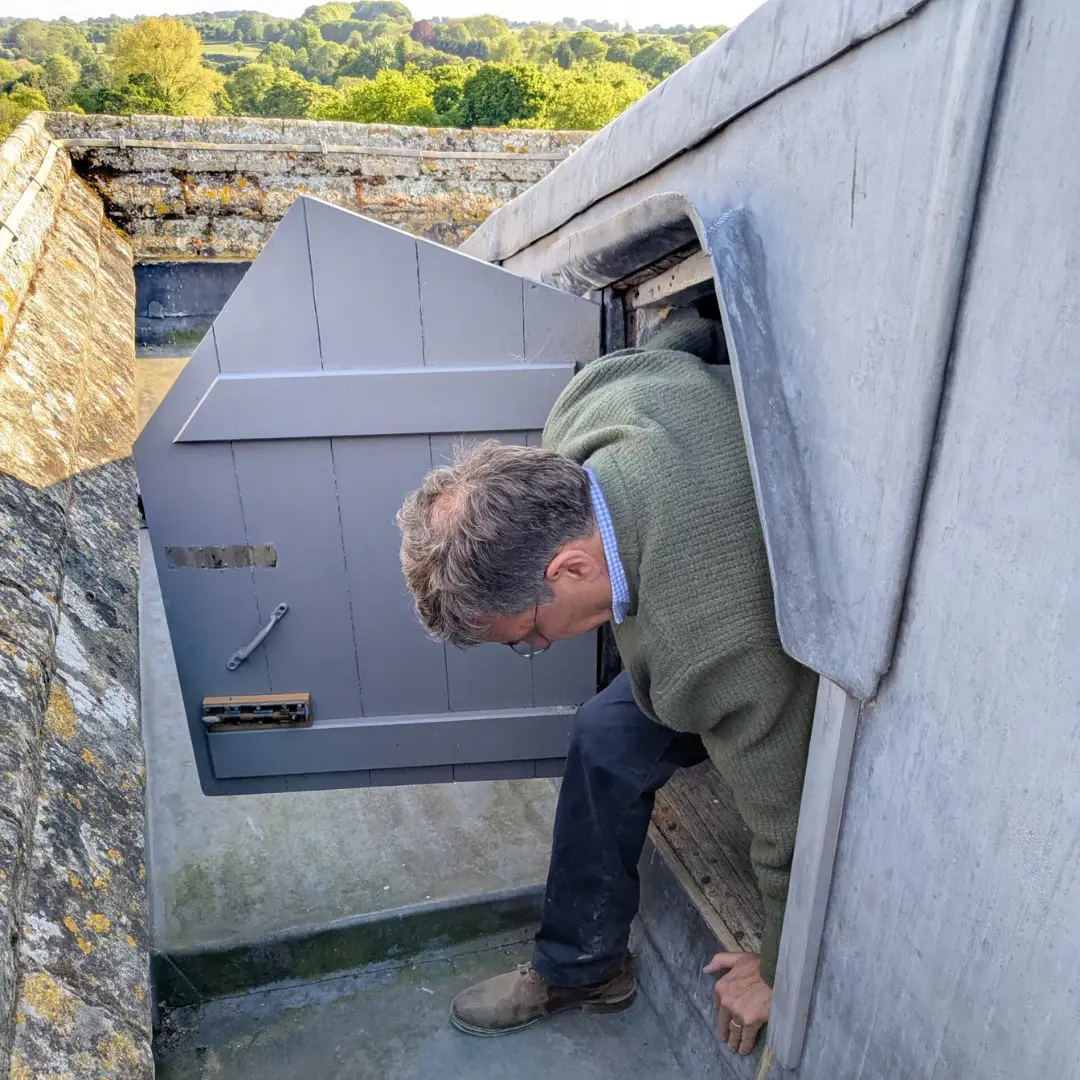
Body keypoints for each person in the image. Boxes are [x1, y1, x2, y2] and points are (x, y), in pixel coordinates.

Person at [396, 311, 817, 1056]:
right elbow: (679, 335)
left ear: (569, 568)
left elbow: (789, 824)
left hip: (746, 617)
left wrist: (779, 972)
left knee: (657, 729)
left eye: (526, 634)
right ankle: (583, 967)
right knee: (604, 735)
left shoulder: (712, 649)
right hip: (692, 535)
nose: (538, 645)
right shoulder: (594, 405)